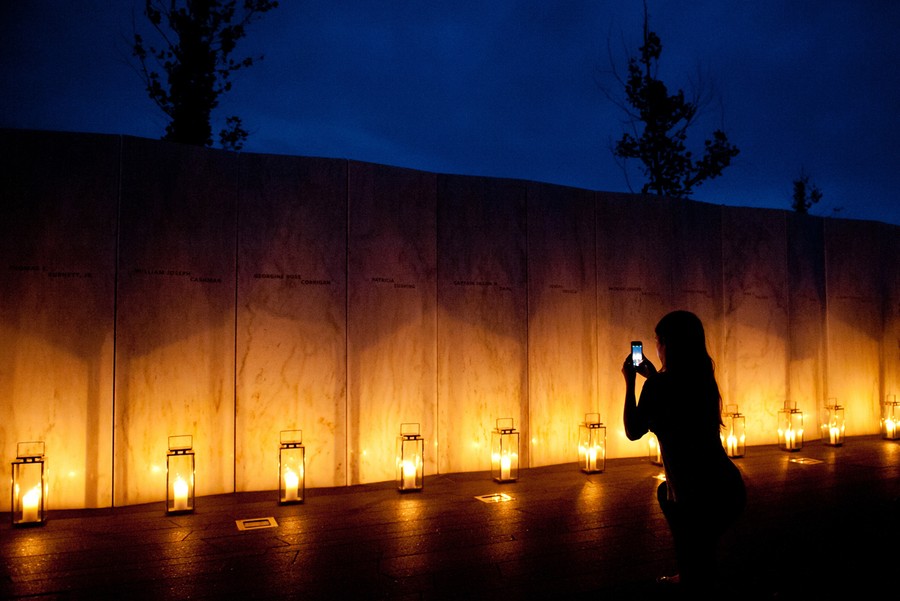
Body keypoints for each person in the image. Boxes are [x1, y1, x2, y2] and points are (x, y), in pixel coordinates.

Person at [622, 310, 746, 592]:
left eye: (658, 340)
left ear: (666, 343)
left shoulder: (658, 387)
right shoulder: (703, 380)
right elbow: (676, 403)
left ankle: (692, 578)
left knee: (687, 527)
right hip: (725, 487)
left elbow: (633, 430)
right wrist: (653, 375)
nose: (657, 347)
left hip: (693, 492)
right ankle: (692, 574)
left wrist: (631, 382)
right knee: (699, 541)